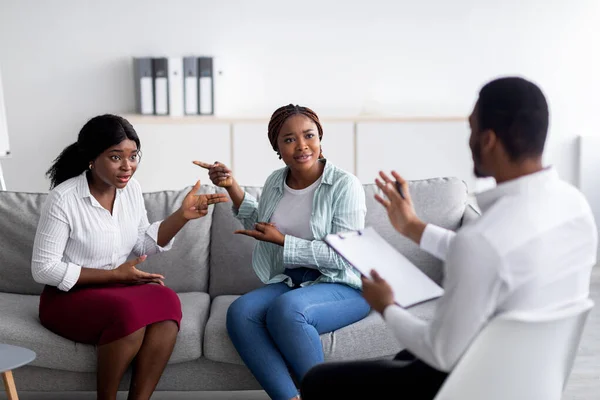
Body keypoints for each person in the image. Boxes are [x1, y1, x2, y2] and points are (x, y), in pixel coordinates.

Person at [300, 77, 598, 399]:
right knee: (404, 358)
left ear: (488, 140)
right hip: (530, 379)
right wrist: (413, 227)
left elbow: (441, 352)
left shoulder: (484, 241)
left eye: (471, 129)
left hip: (473, 385)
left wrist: (386, 306)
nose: (468, 139)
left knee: (318, 381)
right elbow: (492, 259)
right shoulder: (575, 206)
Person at [31, 114, 228, 400]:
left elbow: (141, 243)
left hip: (117, 289)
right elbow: (44, 269)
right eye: (115, 157)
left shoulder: (131, 190)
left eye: (133, 156)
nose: (128, 167)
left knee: (167, 301)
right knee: (130, 315)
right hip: (68, 297)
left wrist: (182, 216)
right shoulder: (63, 199)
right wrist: (115, 275)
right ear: (91, 158)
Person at [195, 104, 371, 400]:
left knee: (287, 311)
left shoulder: (345, 184)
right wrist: (231, 186)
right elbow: (263, 226)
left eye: (309, 136)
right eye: (289, 139)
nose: (302, 146)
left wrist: (284, 242)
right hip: (294, 281)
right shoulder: (276, 181)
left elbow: (344, 256)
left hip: (345, 283)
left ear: (320, 139)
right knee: (241, 312)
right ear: (277, 147)